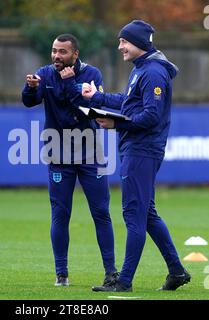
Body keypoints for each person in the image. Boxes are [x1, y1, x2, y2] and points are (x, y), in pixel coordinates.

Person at [82, 20, 191, 292]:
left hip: (142, 150)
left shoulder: (153, 72)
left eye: (124, 41)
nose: (119, 46)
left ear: (140, 43)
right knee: (147, 214)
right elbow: (129, 103)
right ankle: (176, 271)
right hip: (137, 148)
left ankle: (125, 281)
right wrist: (97, 98)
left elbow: (151, 116)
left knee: (134, 214)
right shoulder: (142, 69)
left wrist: (116, 124)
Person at [22, 34, 118, 287]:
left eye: (62, 52)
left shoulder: (92, 75)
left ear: (75, 54)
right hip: (58, 152)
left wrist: (71, 82)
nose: (56, 56)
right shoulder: (46, 73)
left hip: (90, 151)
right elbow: (29, 102)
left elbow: (85, 109)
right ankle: (61, 273)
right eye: (54, 51)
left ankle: (111, 272)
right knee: (60, 213)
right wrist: (30, 88)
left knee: (101, 212)